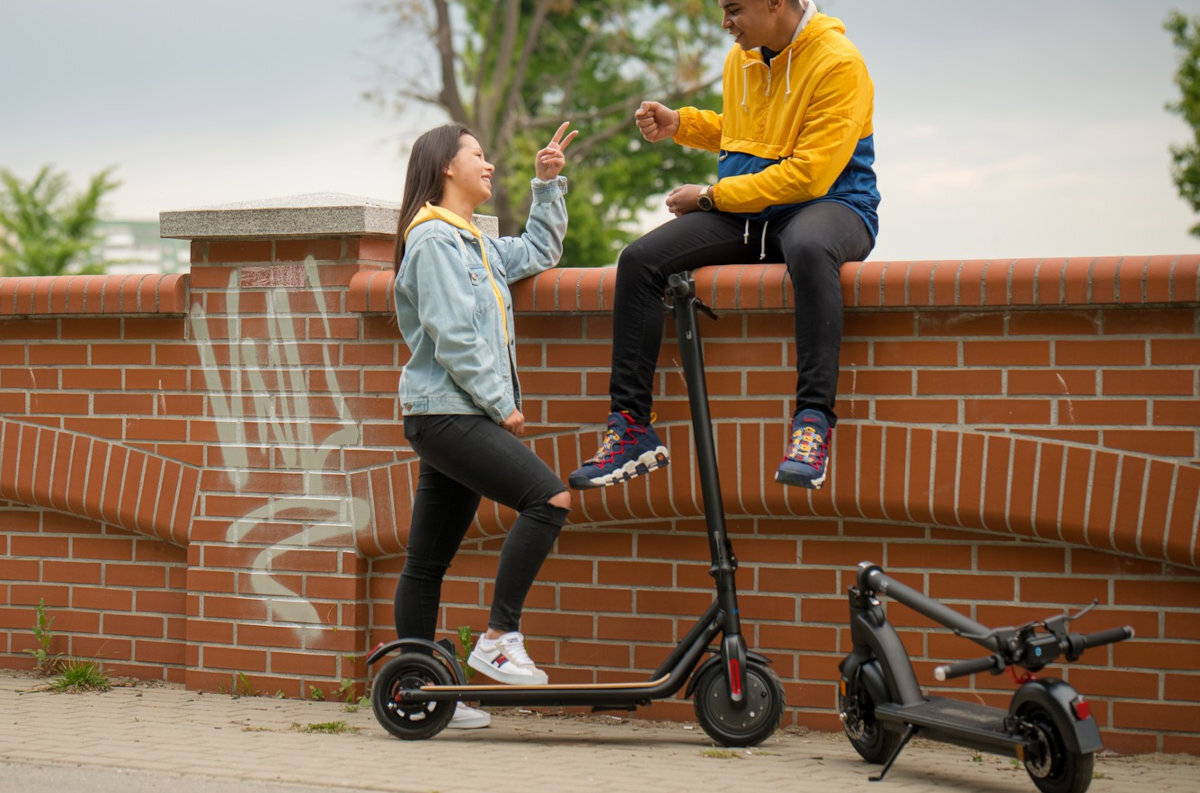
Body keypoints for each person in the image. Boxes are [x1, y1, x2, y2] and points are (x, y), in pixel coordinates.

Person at [568, 0, 878, 492]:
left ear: (776, 3)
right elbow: (746, 136)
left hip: (832, 204)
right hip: (752, 212)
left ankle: (812, 423)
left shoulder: (840, 62)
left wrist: (711, 196)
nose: (724, 23)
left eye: (733, 9)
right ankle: (630, 428)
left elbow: (810, 175)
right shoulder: (745, 56)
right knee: (640, 260)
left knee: (808, 247)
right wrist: (682, 125)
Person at [391, 121, 578, 729]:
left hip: (447, 415)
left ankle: (419, 693)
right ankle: (499, 637)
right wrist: (503, 404)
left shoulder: (475, 242)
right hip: (450, 413)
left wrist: (547, 186)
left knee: (426, 562)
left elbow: (540, 253)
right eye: (478, 154)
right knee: (548, 498)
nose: (489, 164)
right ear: (447, 165)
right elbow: (452, 335)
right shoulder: (434, 242)